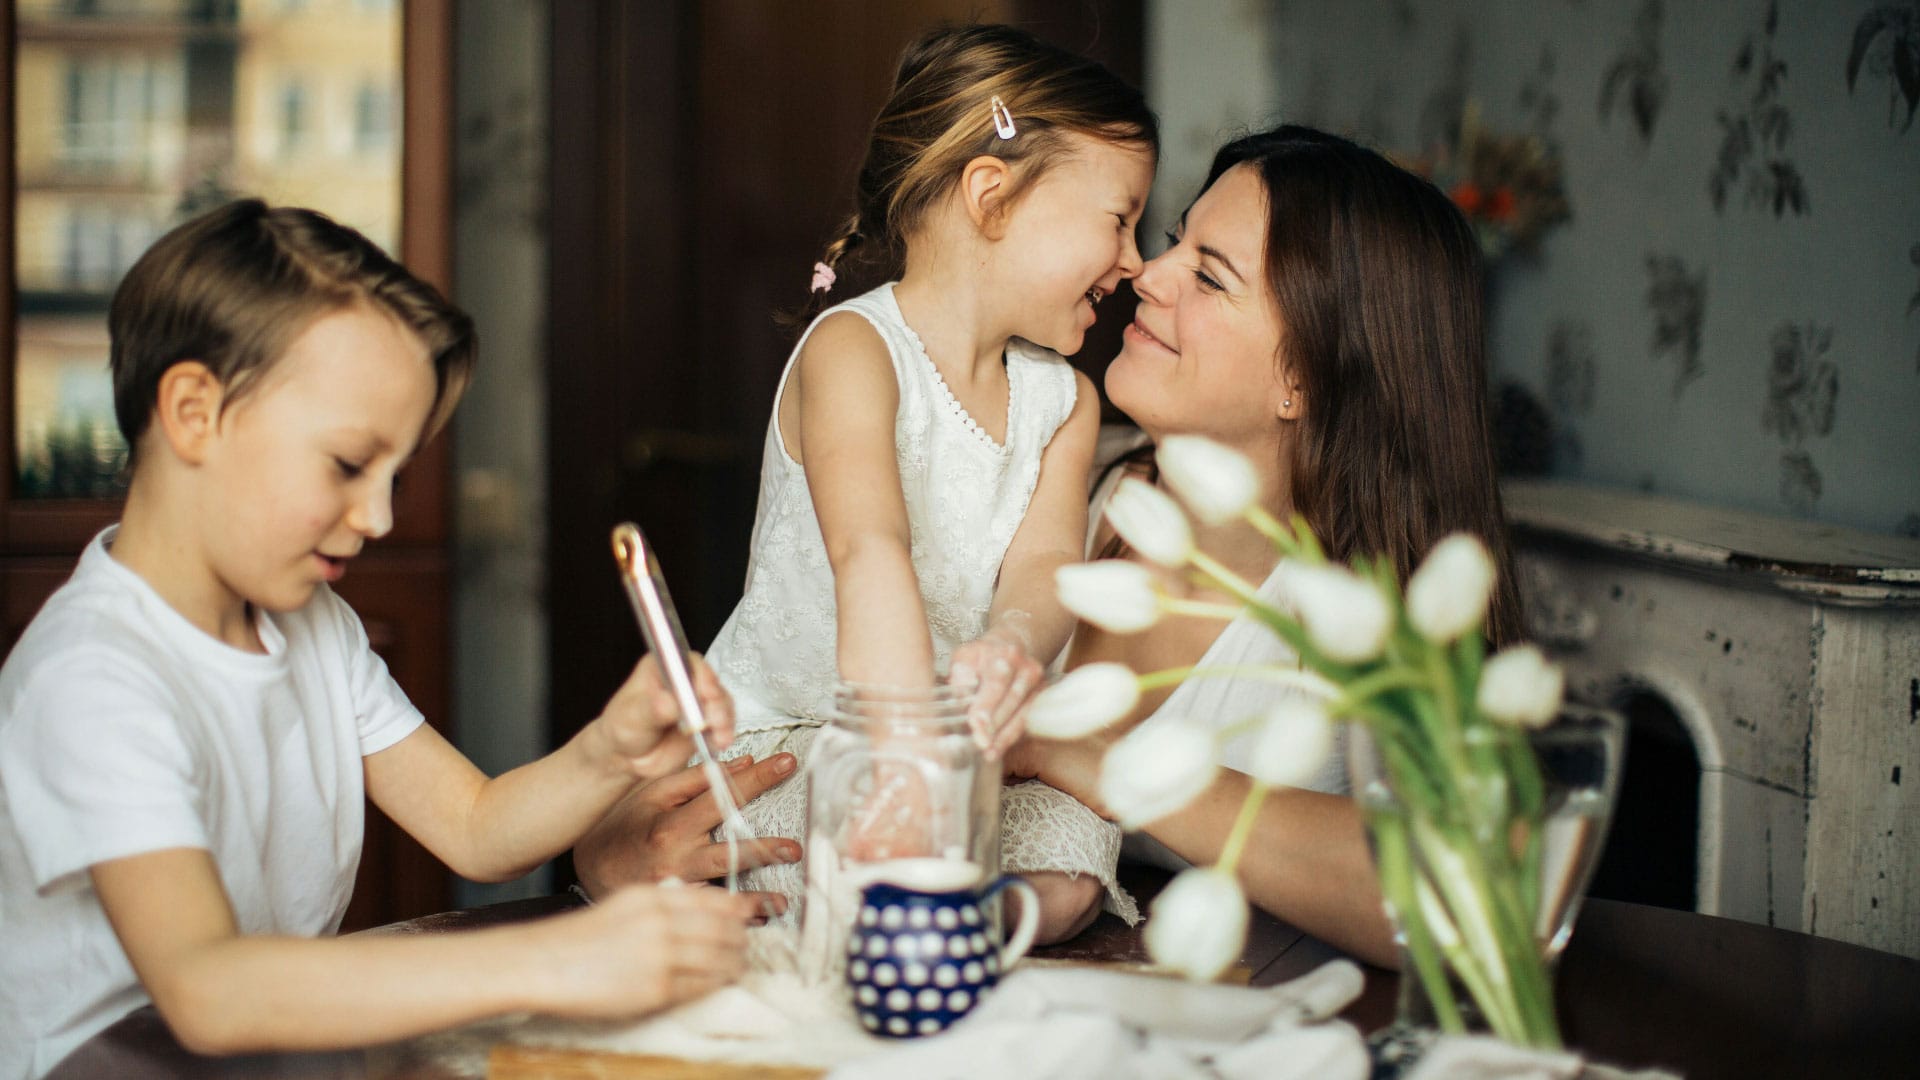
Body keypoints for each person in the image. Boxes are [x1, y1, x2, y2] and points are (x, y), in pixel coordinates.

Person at [0, 200, 760, 1079]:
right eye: (348, 465)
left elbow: (476, 829)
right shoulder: (93, 677)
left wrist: (609, 752)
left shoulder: (311, 624)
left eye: (395, 475)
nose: (379, 516)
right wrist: (562, 958)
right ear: (194, 411)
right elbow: (208, 991)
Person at [579, 24, 1157, 944]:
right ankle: (901, 906)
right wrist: (902, 760)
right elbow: (869, 550)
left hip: (967, 755)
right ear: (993, 196)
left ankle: (942, 918)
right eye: (1119, 218)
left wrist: (1014, 643)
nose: (1133, 260)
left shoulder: (1065, 402)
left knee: (1073, 858)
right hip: (813, 733)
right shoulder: (855, 350)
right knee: (821, 838)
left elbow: (1046, 563)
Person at [1007, 124, 1525, 968]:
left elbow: (1467, 897)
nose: (1148, 270)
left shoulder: (1372, 616)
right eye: (1178, 241)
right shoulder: (1057, 480)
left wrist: (1106, 762)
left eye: (1209, 275)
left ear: (1304, 379)